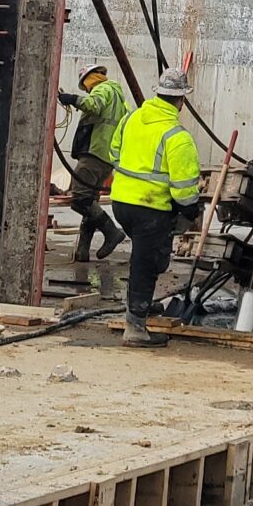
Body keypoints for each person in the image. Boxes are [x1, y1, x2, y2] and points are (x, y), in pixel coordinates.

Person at [107, 66, 203, 348]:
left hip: (120, 203)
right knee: (145, 265)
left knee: (148, 257)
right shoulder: (177, 136)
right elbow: (185, 190)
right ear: (181, 100)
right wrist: (190, 213)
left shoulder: (131, 118)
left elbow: (115, 153)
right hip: (151, 209)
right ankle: (135, 328)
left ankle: (142, 306)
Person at [58, 63, 132, 266]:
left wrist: (72, 99)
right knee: (90, 200)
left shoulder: (103, 89)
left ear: (89, 79)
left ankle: (112, 232)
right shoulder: (120, 99)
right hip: (107, 157)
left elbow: (94, 105)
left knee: (80, 198)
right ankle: (82, 251)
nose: (88, 90)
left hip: (94, 152)